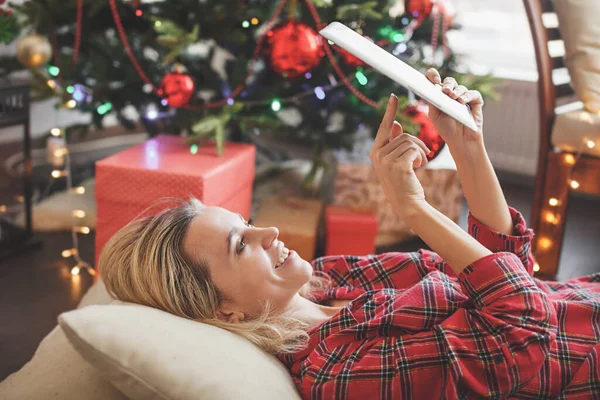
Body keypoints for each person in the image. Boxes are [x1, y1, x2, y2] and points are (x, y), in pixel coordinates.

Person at [100, 69, 600, 399]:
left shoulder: (332, 276)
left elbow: (505, 264)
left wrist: (467, 146)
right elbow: (522, 325)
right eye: (240, 244)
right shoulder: (336, 373)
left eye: (247, 224)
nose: (268, 231)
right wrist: (412, 208)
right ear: (222, 310)